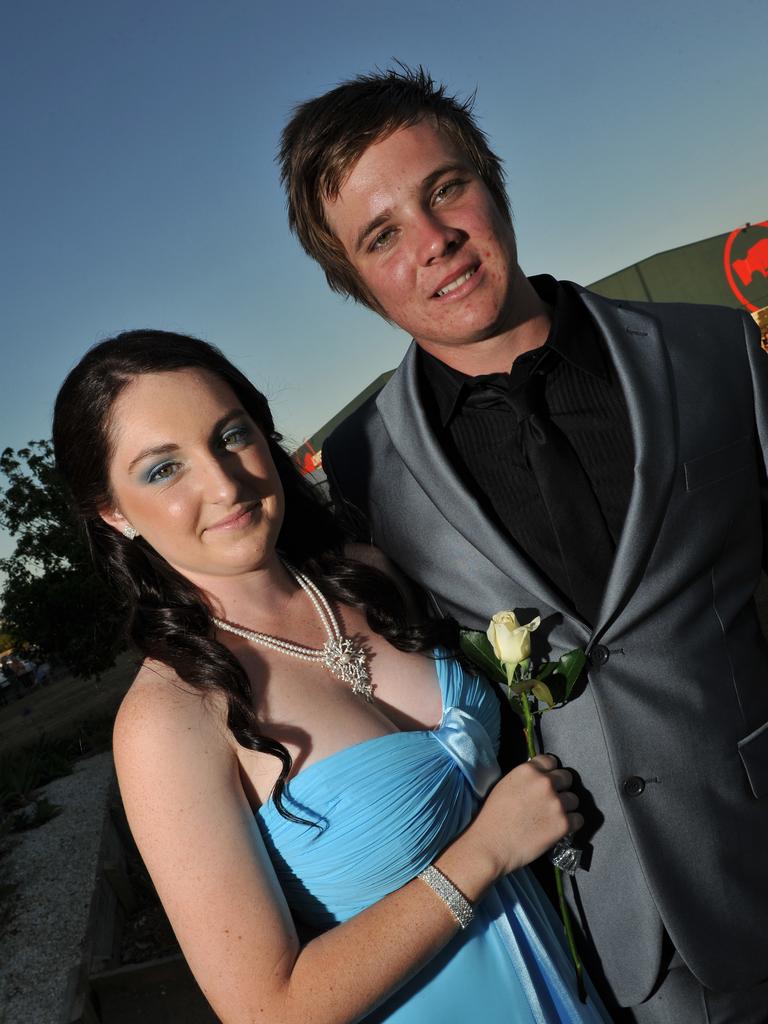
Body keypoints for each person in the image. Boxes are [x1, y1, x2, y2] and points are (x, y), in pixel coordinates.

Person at [279, 67, 768, 1023]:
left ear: (494, 182)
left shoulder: (714, 355)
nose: (434, 244)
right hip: (600, 925)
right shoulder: (362, 468)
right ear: (355, 282)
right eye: (383, 236)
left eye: (446, 189)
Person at [52, 330, 611, 1024]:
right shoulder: (169, 718)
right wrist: (487, 852)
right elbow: (266, 1008)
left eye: (230, 435)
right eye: (163, 470)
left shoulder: (369, 575)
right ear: (112, 511)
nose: (225, 483)